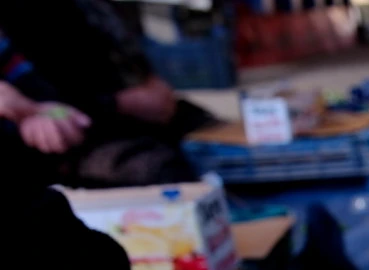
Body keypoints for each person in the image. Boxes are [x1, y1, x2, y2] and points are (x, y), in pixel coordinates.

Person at [0, 0, 213, 187]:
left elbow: (37, 88)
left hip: (81, 115)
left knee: (212, 137)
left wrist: (152, 81)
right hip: (70, 133)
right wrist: (29, 113)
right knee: (155, 167)